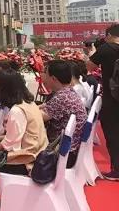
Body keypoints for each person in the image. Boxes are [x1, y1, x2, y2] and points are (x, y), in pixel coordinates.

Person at [0, 69, 48, 211]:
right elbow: (18, 135)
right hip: (36, 154)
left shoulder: (17, 110)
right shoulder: (30, 104)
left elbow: (10, 143)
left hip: (26, 160)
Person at [39, 59, 86, 168]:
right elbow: (45, 106)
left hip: (61, 154)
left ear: (53, 78)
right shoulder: (68, 92)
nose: (43, 76)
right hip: (70, 149)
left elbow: (38, 117)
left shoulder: (62, 97)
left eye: (45, 73)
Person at [87, 23, 119, 180]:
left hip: (111, 99)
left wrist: (93, 52)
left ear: (109, 35)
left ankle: (117, 169)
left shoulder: (106, 49)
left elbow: (89, 66)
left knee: (113, 133)